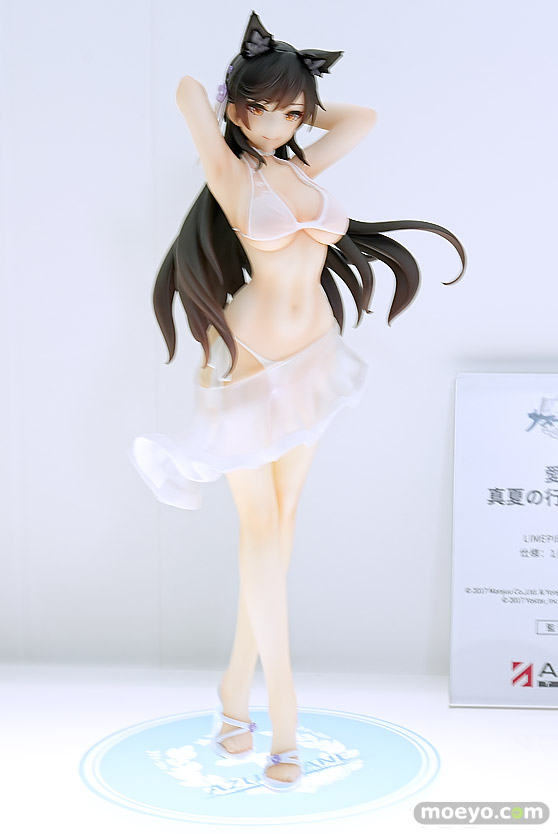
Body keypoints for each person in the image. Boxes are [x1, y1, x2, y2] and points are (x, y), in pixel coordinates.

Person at [128, 11, 466, 791]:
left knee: (282, 529)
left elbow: (364, 116)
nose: (276, 124)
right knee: (261, 529)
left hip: (312, 361)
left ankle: (231, 690)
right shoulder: (228, 172)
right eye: (261, 109)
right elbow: (186, 90)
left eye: (290, 112)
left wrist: (297, 98)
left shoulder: (304, 161)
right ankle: (282, 713)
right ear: (239, 109)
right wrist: (238, 96)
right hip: (249, 367)